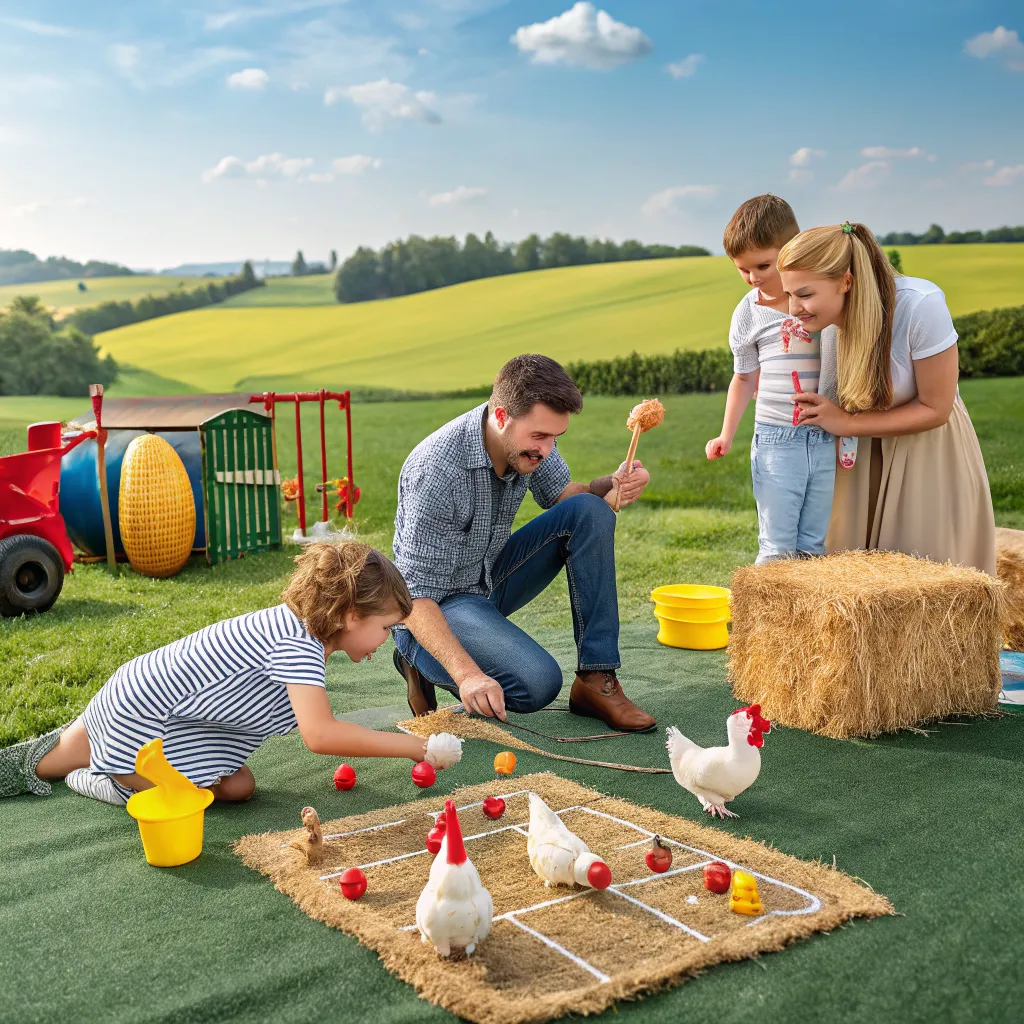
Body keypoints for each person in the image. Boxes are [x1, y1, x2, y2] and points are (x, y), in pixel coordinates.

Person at [0, 543, 462, 804]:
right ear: (347, 614)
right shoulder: (298, 645)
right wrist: (417, 748)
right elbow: (320, 735)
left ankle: (83, 747)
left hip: (151, 705)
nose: (385, 640)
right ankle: (99, 773)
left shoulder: (300, 630)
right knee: (182, 803)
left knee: (240, 787)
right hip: (141, 721)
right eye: (385, 628)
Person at [391, 353, 656, 732]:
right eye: (539, 436)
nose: (547, 449)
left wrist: (612, 485)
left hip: (489, 578)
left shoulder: (527, 443)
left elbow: (567, 496)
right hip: (435, 605)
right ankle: (414, 656)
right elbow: (414, 599)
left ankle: (596, 681)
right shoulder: (435, 471)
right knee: (536, 684)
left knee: (591, 511)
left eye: (554, 437)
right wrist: (468, 675)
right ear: (501, 417)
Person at [778, 222, 995, 574]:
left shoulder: (921, 307)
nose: (793, 309)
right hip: (858, 457)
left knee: (927, 576)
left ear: (846, 281)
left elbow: (937, 408)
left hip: (927, 454)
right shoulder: (829, 324)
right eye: (789, 295)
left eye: (803, 294)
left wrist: (847, 422)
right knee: (852, 578)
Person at [705, 194, 838, 563]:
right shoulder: (748, 314)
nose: (753, 278)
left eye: (763, 265)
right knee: (777, 545)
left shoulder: (822, 300)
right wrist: (725, 434)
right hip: (777, 440)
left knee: (812, 545)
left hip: (826, 435)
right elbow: (744, 379)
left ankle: (808, 621)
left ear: (791, 251)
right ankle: (763, 621)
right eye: (742, 269)